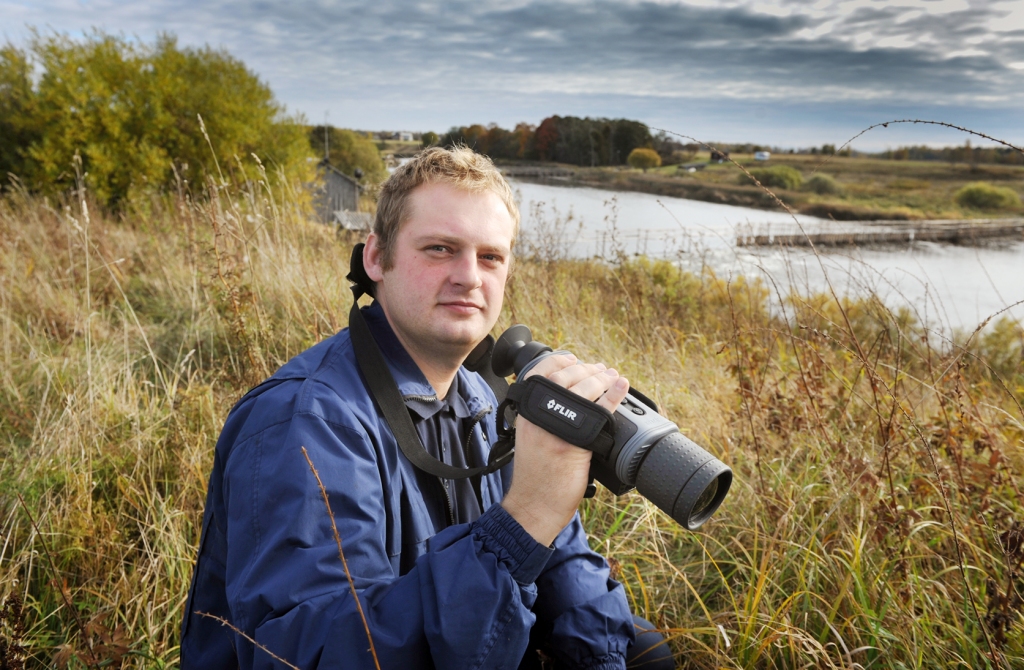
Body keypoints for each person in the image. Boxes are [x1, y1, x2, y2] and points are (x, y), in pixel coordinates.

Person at [181, 146, 675, 669]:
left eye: (491, 257)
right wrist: (526, 517)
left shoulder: (486, 400)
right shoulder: (307, 421)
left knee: (643, 651)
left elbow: (568, 571)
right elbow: (316, 652)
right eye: (440, 249)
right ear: (376, 258)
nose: (470, 277)